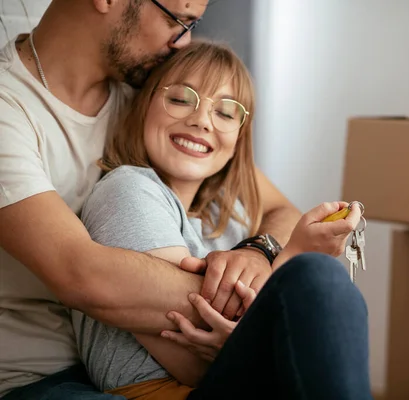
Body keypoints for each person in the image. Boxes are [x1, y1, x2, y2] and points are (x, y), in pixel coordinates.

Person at [0, 1, 302, 398]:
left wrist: (257, 253)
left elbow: (281, 209)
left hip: (143, 362)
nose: (185, 41)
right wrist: (260, 317)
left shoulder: (151, 96)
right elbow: (82, 276)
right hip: (37, 379)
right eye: (177, 19)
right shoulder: (10, 110)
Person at [72, 39, 371, 400]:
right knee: (318, 275)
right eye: (181, 98)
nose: (200, 120)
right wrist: (293, 255)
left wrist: (275, 255)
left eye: (226, 113)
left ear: (238, 138)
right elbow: (189, 362)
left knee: (326, 282)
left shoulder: (227, 215)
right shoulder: (128, 190)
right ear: (144, 105)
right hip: (166, 390)